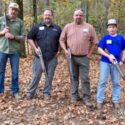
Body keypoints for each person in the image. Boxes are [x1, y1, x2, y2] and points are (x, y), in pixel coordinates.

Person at [60, 8, 97, 107]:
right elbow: (61, 40)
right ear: (73, 16)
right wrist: (65, 50)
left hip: (84, 57)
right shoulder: (68, 27)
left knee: (85, 78)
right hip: (71, 57)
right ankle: (74, 96)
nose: (78, 17)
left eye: (80, 15)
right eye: (76, 15)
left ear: (83, 16)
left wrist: (89, 54)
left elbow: (94, 42)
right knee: (73, 77)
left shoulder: (89, 27)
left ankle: (87, 98)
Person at [26, 9, 61, 100]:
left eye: (49, 15)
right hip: (39, 57)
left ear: (52, 16)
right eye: (46, 15)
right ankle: (30, 93)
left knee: (49, 76)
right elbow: (29, 38)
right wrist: (35, 48)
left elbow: (61, 41)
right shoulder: (37, 27)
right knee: (36, 75)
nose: (47, 16)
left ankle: (46, 93)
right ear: (43, 16)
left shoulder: (57, 28)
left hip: (52, 57)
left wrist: (59, 51)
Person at [96, 19, 125, 112]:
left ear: (116, 28)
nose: (111, 29)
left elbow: (124, 50)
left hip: (117, 64)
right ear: (107, 28)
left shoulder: (121, 38)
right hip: (105, 63)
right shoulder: (105, 38)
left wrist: (122, 61)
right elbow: (99, 49)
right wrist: (108, 56)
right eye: (110, 27)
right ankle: (99, 100)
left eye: (113, 27)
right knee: (102, 81)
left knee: (116, 82)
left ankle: (115, 100)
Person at [0, 2, 25, 99]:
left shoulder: (20, 22)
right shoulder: (2, 20)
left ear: (17, 12)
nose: (13, 11)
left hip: (14, 51)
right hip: (2, 50)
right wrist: (2, 32)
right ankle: (1, 91)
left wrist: (13, 36)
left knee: (15, 73)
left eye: (15, 10)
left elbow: (23, 37)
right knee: (1, 72)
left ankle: (15, 91)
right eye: (12, 9)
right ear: (8, 9)